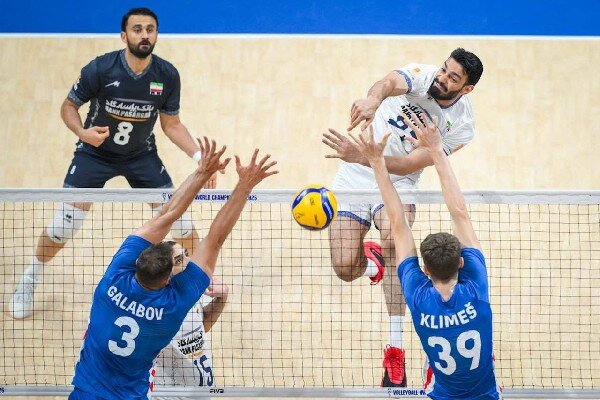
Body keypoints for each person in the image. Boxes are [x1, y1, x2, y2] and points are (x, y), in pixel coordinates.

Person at [10, 7, 218, 319]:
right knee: (64, 225)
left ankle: (195, 286)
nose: (144, 35)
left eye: (150, 29)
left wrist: (200, 158)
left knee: (181, 224)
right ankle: (30, 279)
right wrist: (82, 132)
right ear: (124, 36)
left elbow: (172, 124)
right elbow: (68, 106)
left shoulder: (166, 75)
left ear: (156, 34)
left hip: (141, 155)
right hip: (94, 154)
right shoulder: (101, 69)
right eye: (137, 29)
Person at [68, 137, 278, 400]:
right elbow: (215, 239)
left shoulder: (114, 277)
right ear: (168, 280)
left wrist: (202, 172)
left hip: (85, 393)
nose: (187, 256)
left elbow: (165, 215)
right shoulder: (174, 304)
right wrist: (244, 186)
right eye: (180, 259)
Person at [322, 48, 483, 386]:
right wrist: (372, 100)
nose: (442, 78)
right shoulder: (423, 75)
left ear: (467, 89)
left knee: (394, 242)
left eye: (453, 78)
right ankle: (372, 265)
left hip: (398, 180)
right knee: (344, 268)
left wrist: (366, 156)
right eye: (444, 69)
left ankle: (395, 346)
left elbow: (409, 164)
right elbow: (388, 83)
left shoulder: (462, 126)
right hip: (354, 175)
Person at [349, 116, 501, 399]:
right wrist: (437, 150)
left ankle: (434, 367)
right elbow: (460, 213)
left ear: (426, 271)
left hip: (441, 393)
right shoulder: (475, 288)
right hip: (486, 394)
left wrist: (376, 162)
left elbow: (398, 225)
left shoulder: (418, 295)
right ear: (461, 263)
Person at [152, 276, 229, 395]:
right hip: (166, 392)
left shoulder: (193, 282)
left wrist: (222, 297)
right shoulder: (150, 297)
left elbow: (203, 324)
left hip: (200, 390)